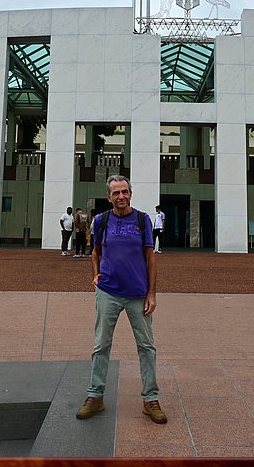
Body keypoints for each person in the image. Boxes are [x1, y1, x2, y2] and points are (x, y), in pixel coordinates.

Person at [77, 175, 166, 425]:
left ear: (130, 193)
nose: (121, 196)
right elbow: (95, 251)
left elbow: (151, 257)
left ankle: (150, 399)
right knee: (101, 344)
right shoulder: (101, 220)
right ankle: (95, 396)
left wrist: (152, 293)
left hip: (138, 294)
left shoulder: (142, 219)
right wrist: (95, 274)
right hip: (108, 292)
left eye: (124, 192)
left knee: (146, 347)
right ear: (109, 197)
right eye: (116, 193)